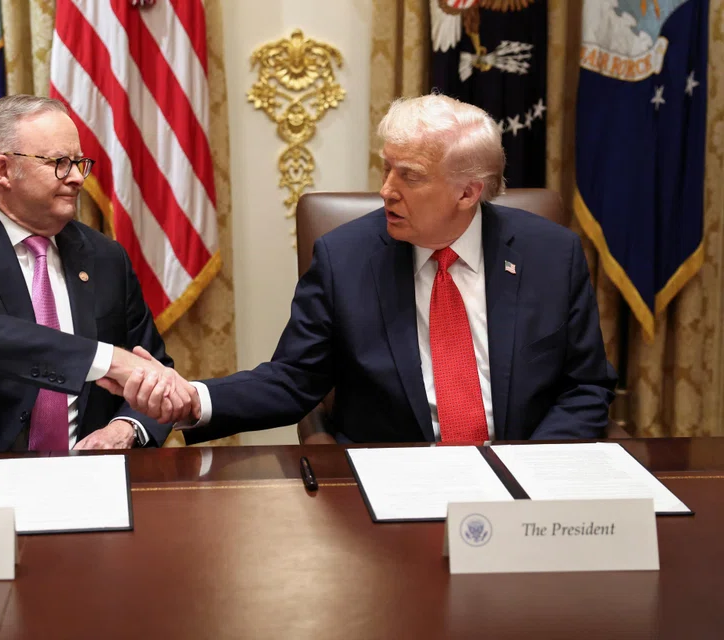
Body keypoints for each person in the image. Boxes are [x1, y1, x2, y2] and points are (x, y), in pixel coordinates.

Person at [124, 94, 616, 444]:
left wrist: (533, 470)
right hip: (392, 486)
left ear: (469, 192)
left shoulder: (552, 254)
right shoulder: (346, 258)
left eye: (411, 176)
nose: (386, 190)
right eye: (387, 168)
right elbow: (293, 380)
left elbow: (586, 386)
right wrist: (194, 399)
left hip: (523, 483)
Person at [0, 95, 192, 453]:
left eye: (80, 162)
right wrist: (107, 360)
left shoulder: (104, 256)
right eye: (61, 163)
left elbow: (152, 369)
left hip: (86, 478)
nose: (78, 178)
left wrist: (125, 428)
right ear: (3, 170)